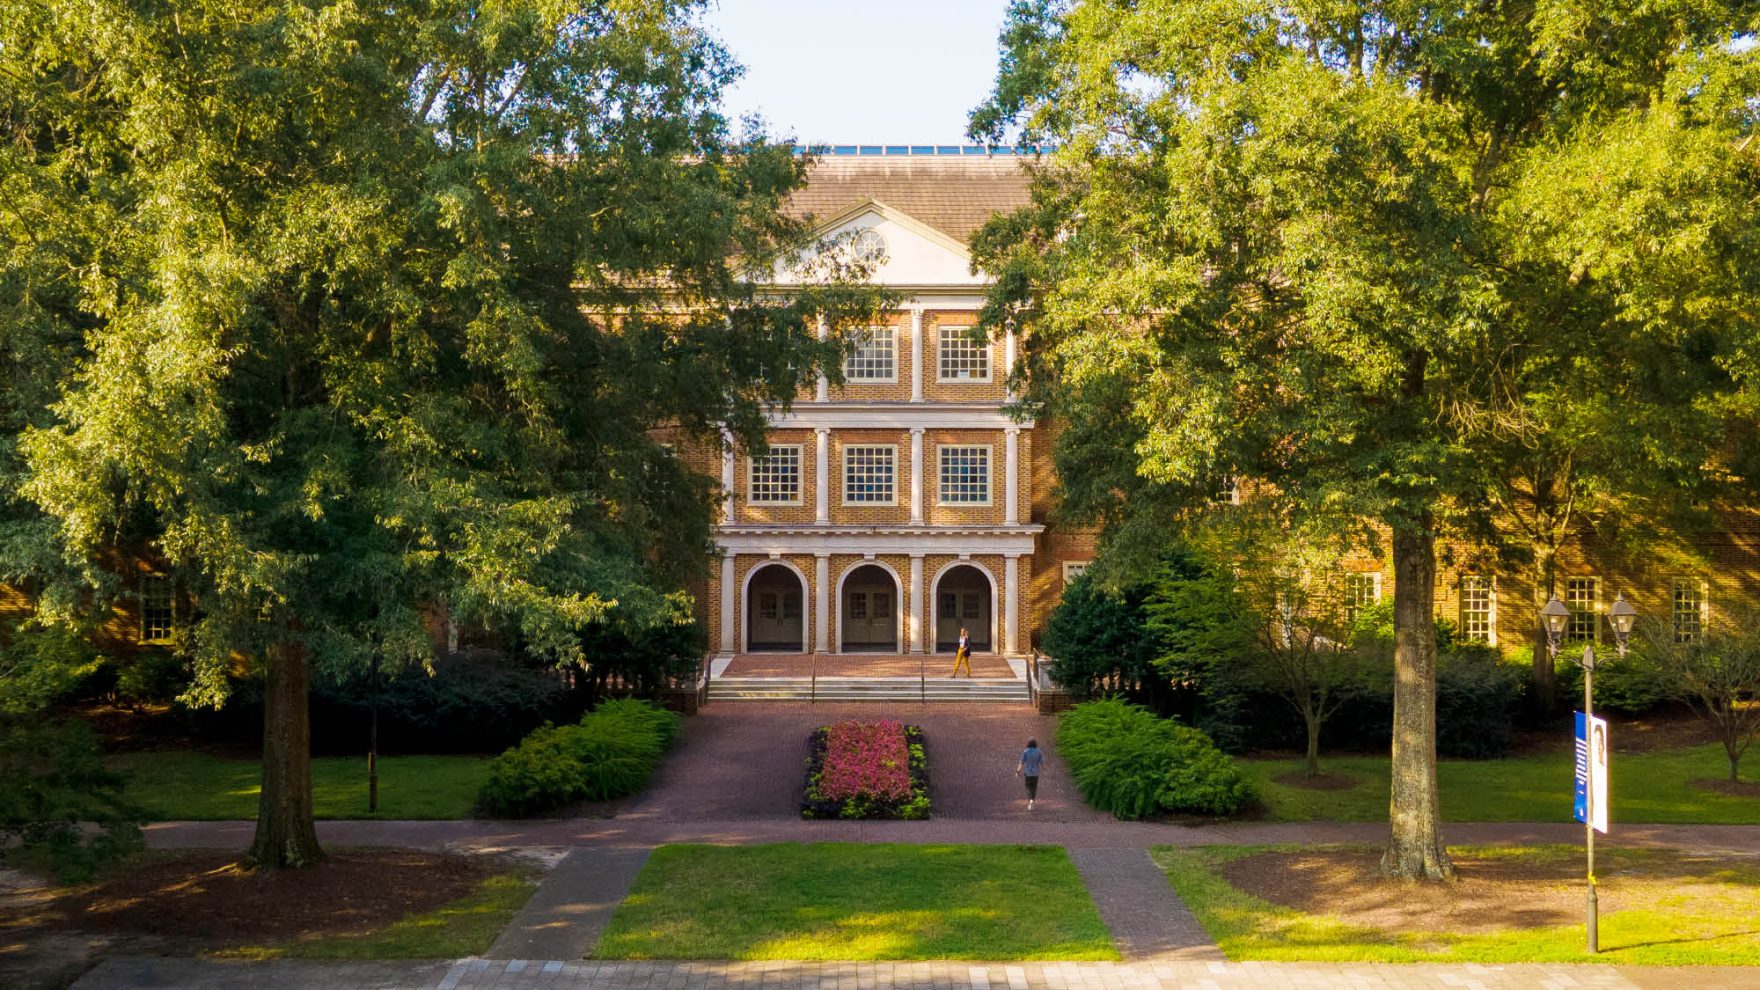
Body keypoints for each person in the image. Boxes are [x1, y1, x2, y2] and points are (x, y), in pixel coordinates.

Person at [1017, 738, 1045, 810]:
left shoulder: (1025, 751)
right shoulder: (1039, 752)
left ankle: (1030, 801)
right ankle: (1032, 799)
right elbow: (1042, 763)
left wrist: (1018, 771)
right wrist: (1044, 769)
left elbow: (1021, 763)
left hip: (1028, 773)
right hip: (1036, 773)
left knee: (1028, 787)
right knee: (1034, 788)